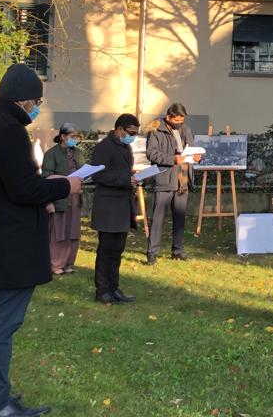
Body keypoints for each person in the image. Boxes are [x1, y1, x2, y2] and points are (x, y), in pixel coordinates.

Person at [0, 63, 82, 417]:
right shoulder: (9, 131)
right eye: (37, 102)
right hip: (12, 243)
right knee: (1, 325)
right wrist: (64, 185)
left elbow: (4, 185)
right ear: (25, 100)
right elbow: (22, 189)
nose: (37, 108)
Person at [90, 114, 140, 304]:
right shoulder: (104, 147)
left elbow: (122, 172)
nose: (132, 137)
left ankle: (114, 287)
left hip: (122, 205)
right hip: (108, 206)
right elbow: (98, 175)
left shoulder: (126, 147)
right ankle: (102, 290)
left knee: (117, 250)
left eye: (135, 133)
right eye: (130, 133)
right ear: (119, 129)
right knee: (106, 250)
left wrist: (133, 180)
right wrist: (125, 180)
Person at [145, 103, 200, 264]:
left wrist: (196, 157)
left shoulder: (186, 129)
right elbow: (151, 153)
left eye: (182, 120)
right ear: (168, 117)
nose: (179, 123)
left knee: (180, 218)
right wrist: (172, 159)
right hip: (165, 179)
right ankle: (152, 253)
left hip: (183, 180)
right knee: (158, 218)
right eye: (176, 120)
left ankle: (178, 251)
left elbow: (191, 148)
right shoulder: (156, 129)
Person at [41, 123, 84, 275]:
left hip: (75, 198)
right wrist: (49, 201)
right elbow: (46, 176)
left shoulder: (78, 153)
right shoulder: (52, 154)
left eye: (77, 136)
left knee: (73, 232)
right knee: (58, 233)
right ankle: (55, 264)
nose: (75, 139)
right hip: (59, 197)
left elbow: (82, 171)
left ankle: (68, 263)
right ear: (63, 137)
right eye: (73, 136)